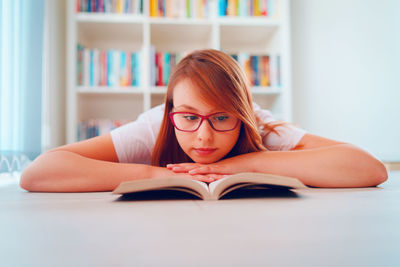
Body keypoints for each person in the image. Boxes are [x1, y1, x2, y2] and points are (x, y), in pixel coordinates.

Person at [20, 49, 388, 192]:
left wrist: (241, 165)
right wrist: (158, 175)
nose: (204, 136)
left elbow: (369, 168)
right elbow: (39, 172)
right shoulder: (155, 127)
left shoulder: (259, 127)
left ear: (243, 116)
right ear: (172, 113)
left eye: (222, 117)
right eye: (190, 117)